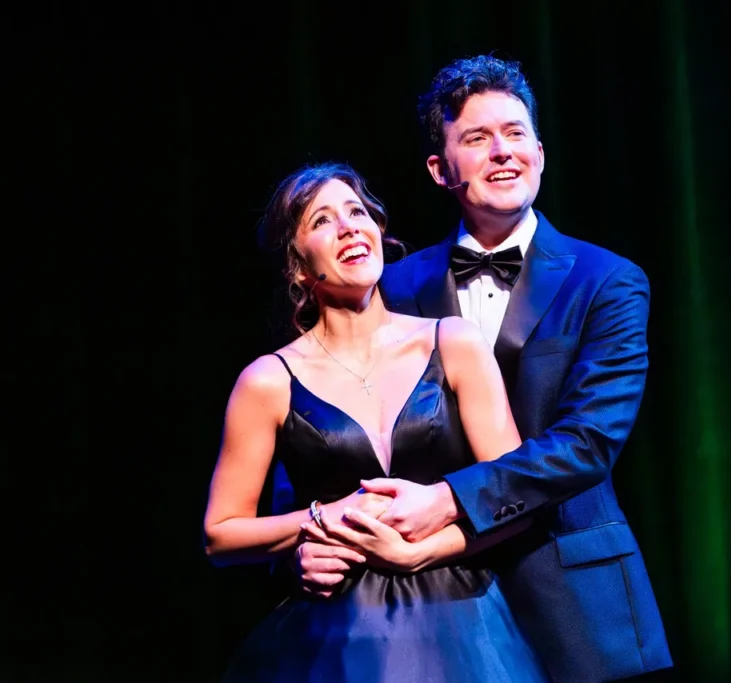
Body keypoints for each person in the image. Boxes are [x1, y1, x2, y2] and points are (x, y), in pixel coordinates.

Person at [293, 55, 674, 682]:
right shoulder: (393, 284)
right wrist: (305, 543)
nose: (502, 152)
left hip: (573, 600)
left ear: (540, 154)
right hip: (428, 610)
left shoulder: (607, 280)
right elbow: (315, 427)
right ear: (440, 169)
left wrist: (449, 499)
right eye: (477, 138)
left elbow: (588, 442)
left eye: (515, 133)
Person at [203, 161, 551, 682]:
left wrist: (420, 553)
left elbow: (514, 500)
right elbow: (221, 534)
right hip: (339, 639)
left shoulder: (453, 343)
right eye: (322, 221)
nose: (348, 227)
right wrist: (323, 518)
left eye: (357, 212)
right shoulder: (268, 381)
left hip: (464, 628)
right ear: (298, 267)